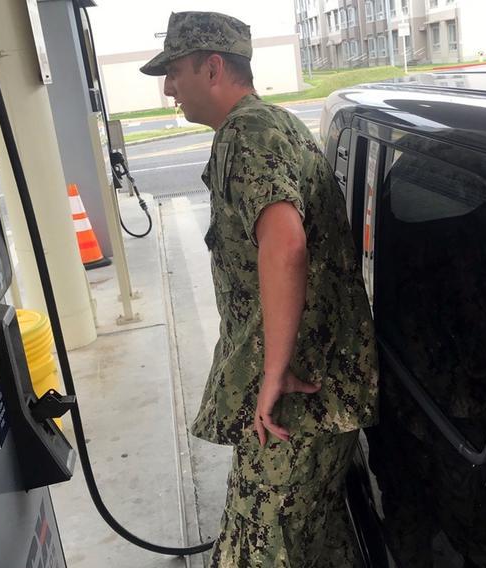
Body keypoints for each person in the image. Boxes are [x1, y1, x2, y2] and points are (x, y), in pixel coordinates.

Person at [141, 11, 378, 567]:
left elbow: (285, 244)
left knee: (256, 547)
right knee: (313, 537)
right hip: (321, 388)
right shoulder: (278, 124)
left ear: (213, 67)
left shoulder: (247, 135)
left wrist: (270, 377)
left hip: (296, 398)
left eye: (174, 72)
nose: (168, 88)